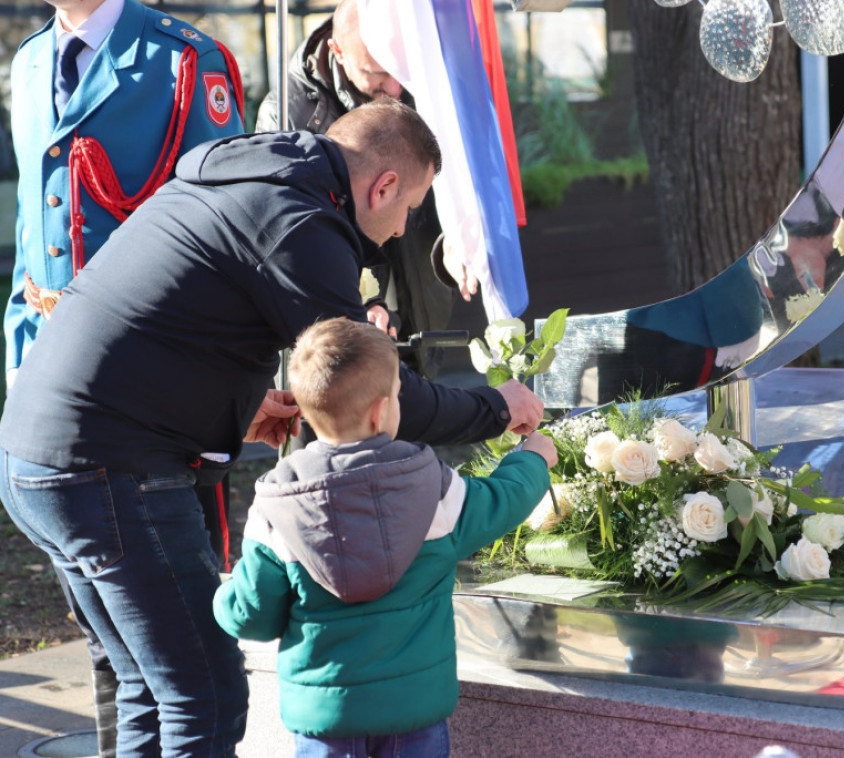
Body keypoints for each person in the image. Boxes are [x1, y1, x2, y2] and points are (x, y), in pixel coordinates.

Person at [0, 99, 542, 757]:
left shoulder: (251, 178)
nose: (402, 230)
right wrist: (498, 407)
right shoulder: (303, 228)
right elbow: (380, 394)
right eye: (410, 208)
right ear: (384, 185)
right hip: (111, 472)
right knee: (205, 695)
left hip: (38, 452)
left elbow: (168, 323)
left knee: (153, 686)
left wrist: (231, 407)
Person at [5, 2, 245, 754]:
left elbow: (229, 230)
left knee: (183, 666)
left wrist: (218, 400)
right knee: (112, 650)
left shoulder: (183, 60)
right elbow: (30, 234)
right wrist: (19, 366)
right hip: (54, 399)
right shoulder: (30, 60)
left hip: (149, 402)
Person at [213, 316, 557, 757]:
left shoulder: (276, 507)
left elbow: (250, 617)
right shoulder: (434, 490)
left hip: (325, 722)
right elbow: (503, 499)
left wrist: (222, 597)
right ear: (381, 410)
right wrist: (532, 458)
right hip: (413, 716)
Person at [256, 0, 473, 378]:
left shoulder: (422, 82)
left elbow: (455, 174)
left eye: (397, 71)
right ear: (337, 51)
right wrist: (363, 297)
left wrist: (456, 234)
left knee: (414, 408)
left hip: (417, 294)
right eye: (376, 74)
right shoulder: (288, 116)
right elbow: (294, 237)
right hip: (330, 325)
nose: (393, 89)